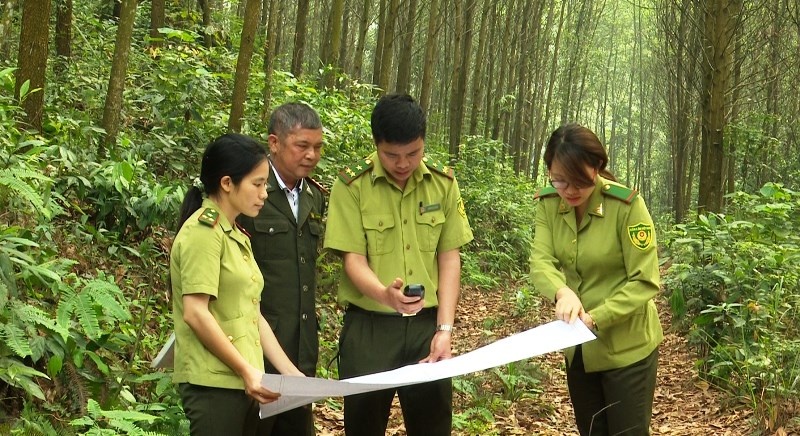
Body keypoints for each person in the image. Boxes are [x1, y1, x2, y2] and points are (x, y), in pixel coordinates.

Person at [323, 93, 474, 436]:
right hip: (369, 329)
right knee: (363, 424)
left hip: (426, 327)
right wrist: (383, 294)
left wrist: (444, 329)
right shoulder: (352, 186)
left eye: (413, 153)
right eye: (392, 155)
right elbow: (353, 259)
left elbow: (449, 257)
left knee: (432, 425)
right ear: (376, 144)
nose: (404, 164)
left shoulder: (443, 184)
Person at [530, 123, 663, 436]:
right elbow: (541, 260)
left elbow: (644, 280)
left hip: (627, 349)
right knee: (591, 430)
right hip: (578, 350)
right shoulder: (549, 204)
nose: (570, 191)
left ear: (598, 167)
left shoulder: (626, 207)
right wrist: (562, 292)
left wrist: (596, 317)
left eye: (580, 182)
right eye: (560, 180)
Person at [171, 133, 304, 436]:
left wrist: (291, 374)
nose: (264, 193)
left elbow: (252, 314)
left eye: (265, 184)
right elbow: (195, 312)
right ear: (227, 183)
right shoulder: (203, 232)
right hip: (214, 384)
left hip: (246, 380)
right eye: (256, 184)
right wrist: (246, 371)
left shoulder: (236, 235)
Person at [238, 103, 326, 436]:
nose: (311, 155)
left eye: (317, 147)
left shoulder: (314, 197)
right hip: (257, 340)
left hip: (302, 342)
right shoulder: (251, 194)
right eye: (302, 146)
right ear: (274, 143)